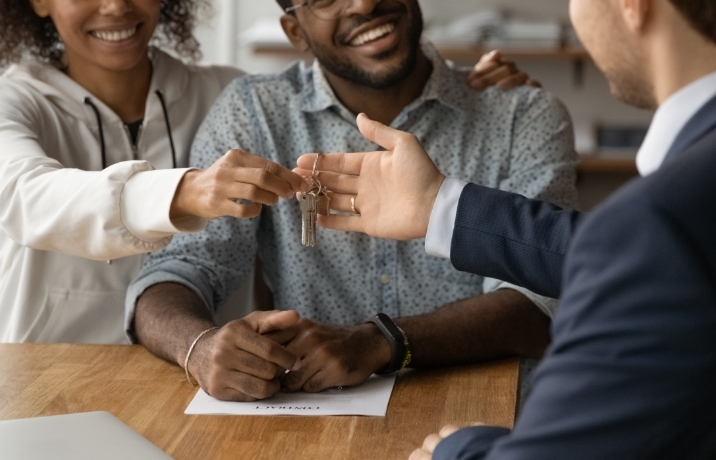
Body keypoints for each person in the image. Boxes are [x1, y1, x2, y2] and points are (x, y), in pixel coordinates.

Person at [298, 0, 716, 458]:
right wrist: (437, 206)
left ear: (632, 6)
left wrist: (463, 450)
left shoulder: (658, 218)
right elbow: (634, 259)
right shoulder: (666, 215)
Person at [126, 0, 578, 402]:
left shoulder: (523, 114)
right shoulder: (253, 113)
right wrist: (198, 347)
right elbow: (181, 268)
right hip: (316, 421)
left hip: (482, 414)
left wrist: (382, 341)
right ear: (295, 32)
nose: (363, 4)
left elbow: (539, 301)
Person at [0, 0, 527, 345]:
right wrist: (186, 189)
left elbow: (343, 76)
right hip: (55, 358)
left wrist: (464, 90)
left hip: (189, 374)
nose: (115, 4)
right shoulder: (15, 100)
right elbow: (21, 196)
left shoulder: (230, 96)